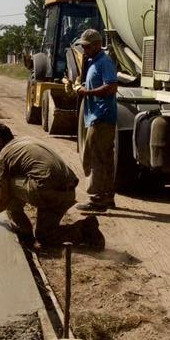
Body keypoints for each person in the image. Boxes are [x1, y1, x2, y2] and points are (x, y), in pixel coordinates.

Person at [0, 122, 105, 250]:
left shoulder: (2, 157)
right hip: (67, 191)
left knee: (7, 186)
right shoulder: (26, 141)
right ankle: (85, 229)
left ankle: (25, 234)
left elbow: (1, 200)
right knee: (45, 237)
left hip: (45, 191)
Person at [74, 28, 118, 213]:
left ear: (97, 45)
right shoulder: (93, 61)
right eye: (83, 46)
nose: (84, 50)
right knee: (104, 157)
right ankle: (106, 196)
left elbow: (111, 87)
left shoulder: (104, 62)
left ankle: (97, 199)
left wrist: (86, 92)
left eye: (87, 46)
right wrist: (81, 87)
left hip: (102, 117)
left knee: (94, 157)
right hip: (98, 116)